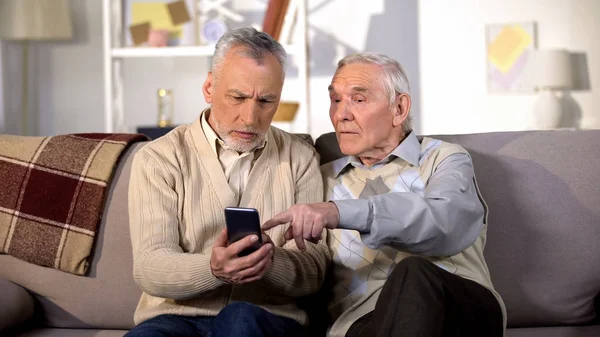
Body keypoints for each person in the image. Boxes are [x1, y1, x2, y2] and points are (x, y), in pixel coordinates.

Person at [263, 53, 506, 337]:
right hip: (366, 324)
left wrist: (339, 212)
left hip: (457, 310)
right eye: (336, 99)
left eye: (359, 99)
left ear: (399, 108)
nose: (341, 114)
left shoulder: (443, 159)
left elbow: (445, 220)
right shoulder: (320, 178)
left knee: (413, 272)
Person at [126, 27, 329, 337]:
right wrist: (212, 269)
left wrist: (270, 262)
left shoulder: (300, 158)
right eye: (238, 97)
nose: (250, 118)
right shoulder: (159, 158)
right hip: (175, 319)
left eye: (266, 101)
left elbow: (314, 272)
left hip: (265, 318)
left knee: (239, 320)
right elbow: (150, 266)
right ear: (209, 88)